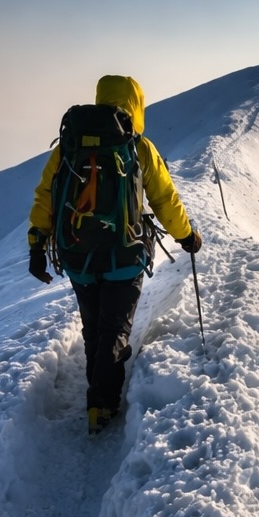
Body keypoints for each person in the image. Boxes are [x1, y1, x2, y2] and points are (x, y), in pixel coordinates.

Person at [26, 74, 202, 435]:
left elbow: (46, 195)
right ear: (135, 105)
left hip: (77, 255)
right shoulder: (138, 147)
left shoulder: (69, 146)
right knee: (115, 329)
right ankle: (101, 404)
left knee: (94, 327)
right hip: (124, 257)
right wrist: (186, 236)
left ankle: (97, 389)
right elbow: (164, 199)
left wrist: (37, 246)